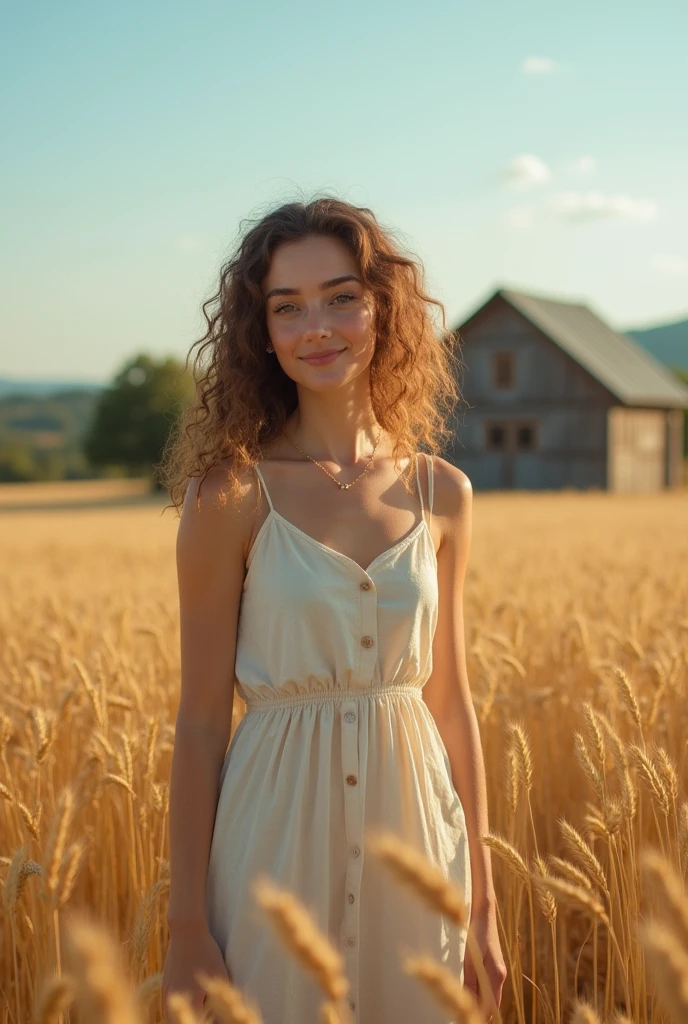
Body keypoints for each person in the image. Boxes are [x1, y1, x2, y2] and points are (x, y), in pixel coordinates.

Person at [160, 195, 507, 1023]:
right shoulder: (229, 498)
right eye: (287, 308)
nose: (317, 326)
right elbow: (202, 721)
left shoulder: (442, 494)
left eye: (341, 296)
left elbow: (451, 704)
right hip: (273, 843)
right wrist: (183, 927)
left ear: (381, 308)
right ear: (261, 332)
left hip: (415, 842)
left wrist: (484, 905)